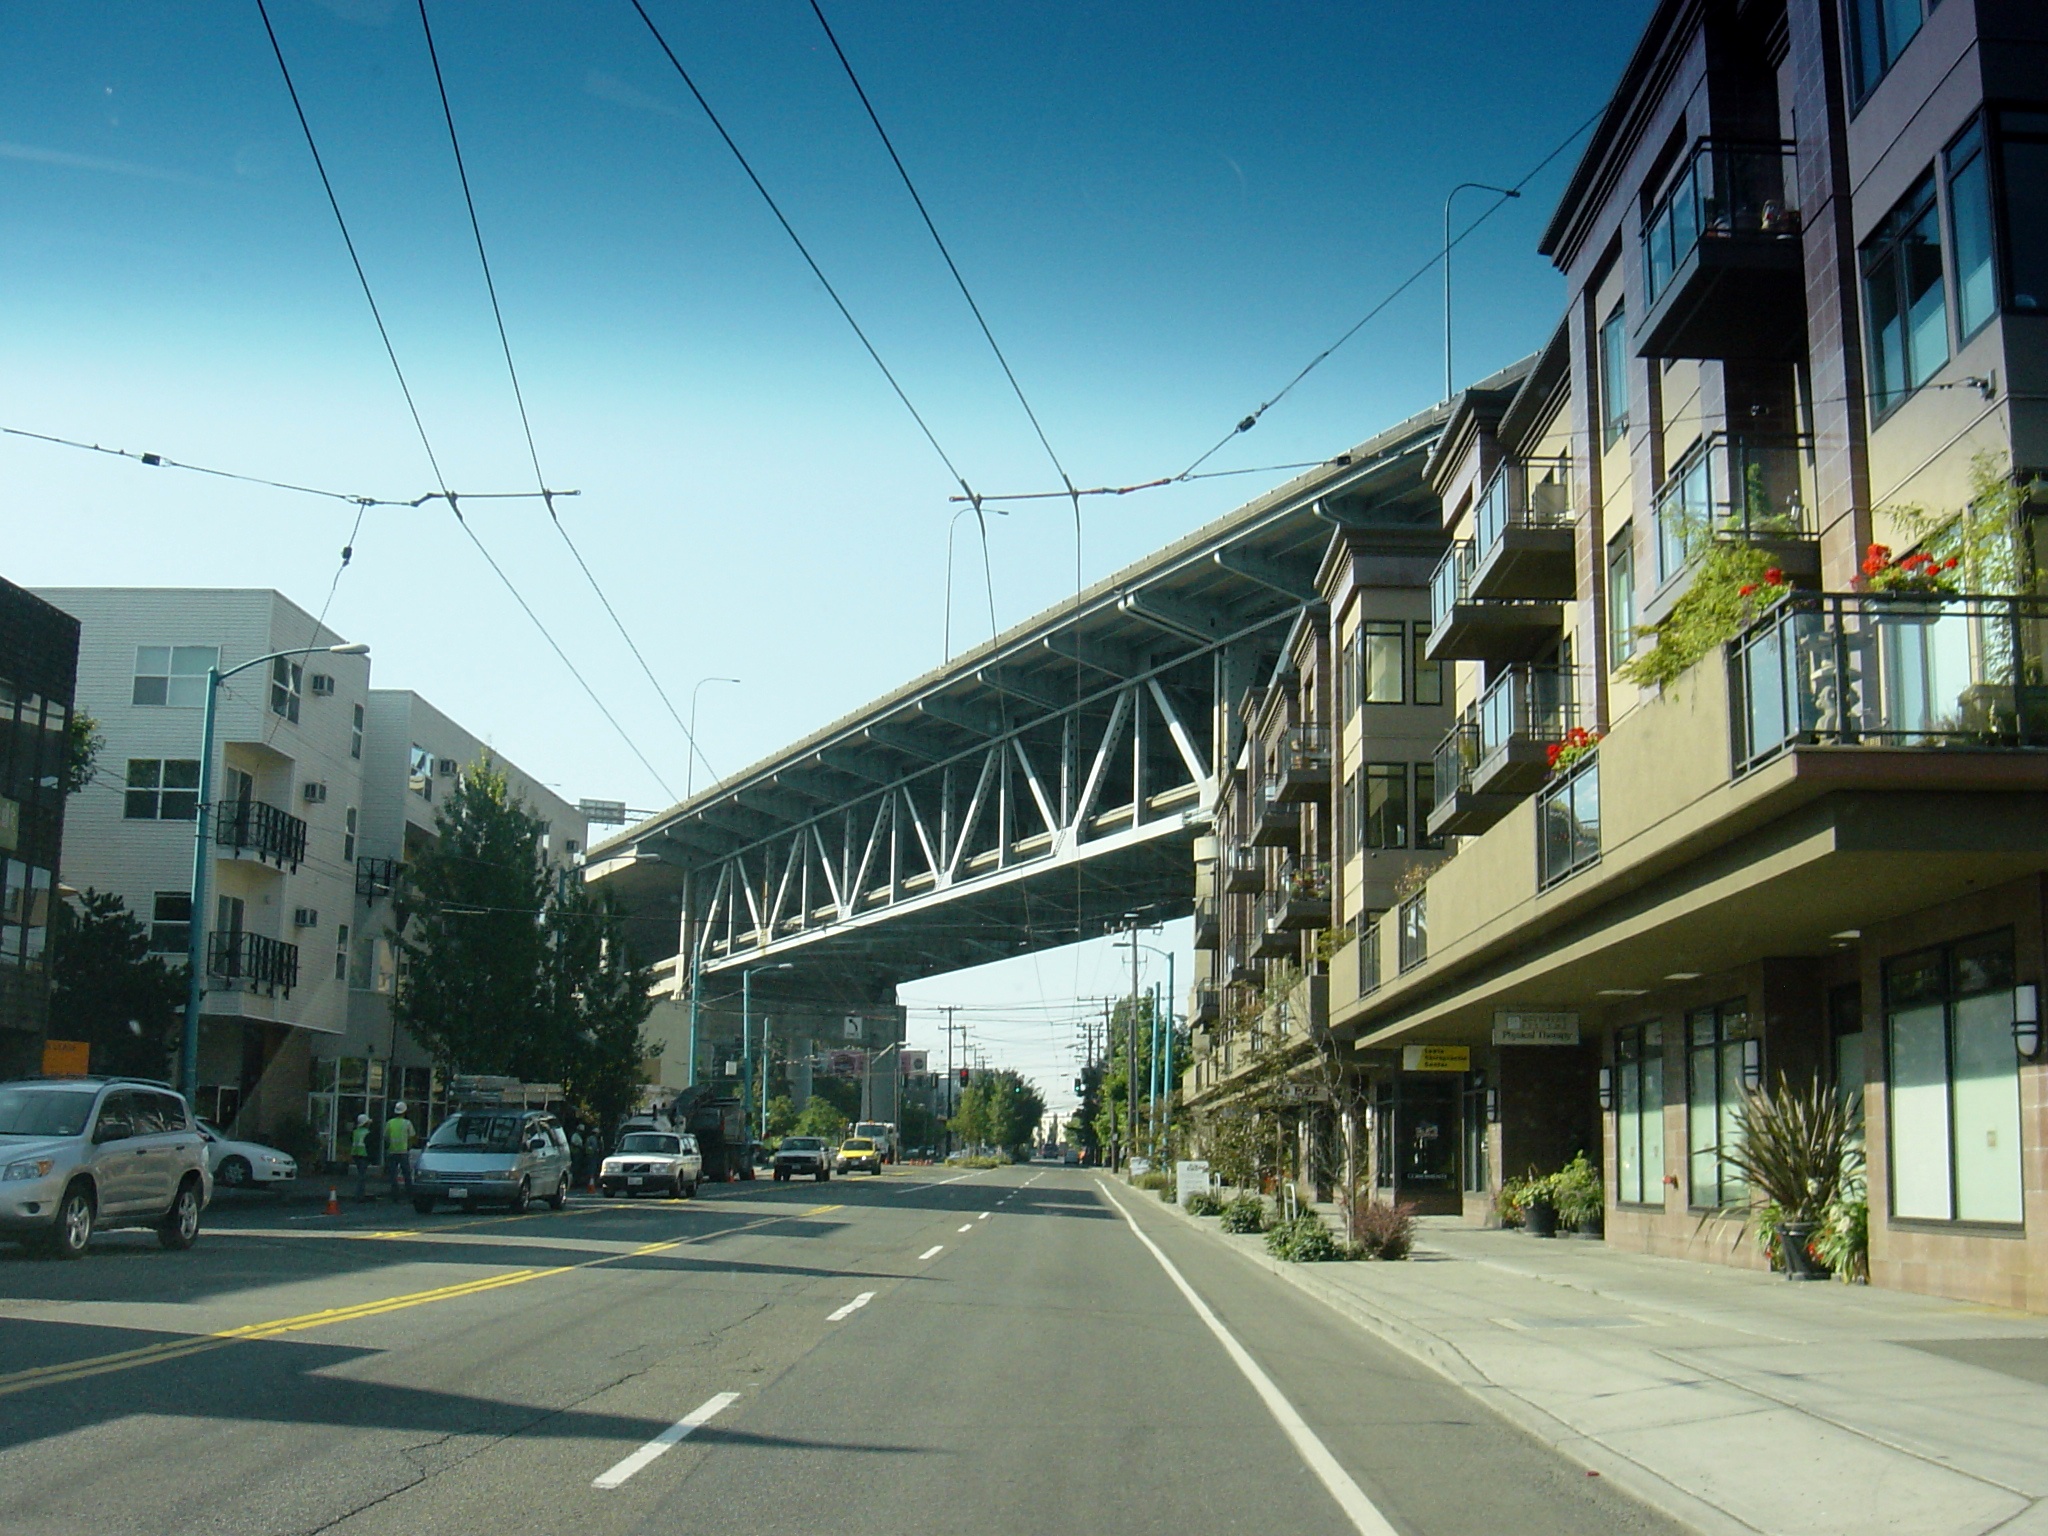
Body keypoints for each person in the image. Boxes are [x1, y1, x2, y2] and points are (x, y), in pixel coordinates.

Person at [384, 1102, 416, 1198]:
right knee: (406, 1174)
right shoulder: (407, 1123)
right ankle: (409, 1194)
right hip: (403, 1151)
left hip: (392, 1151)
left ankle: (395, 1194)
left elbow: (386, 1137)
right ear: (404, 1112)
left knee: (393, 1174)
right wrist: (409, 1147)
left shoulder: (390, 1123)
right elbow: (412, 1136)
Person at [350, 1113, 373, 1201]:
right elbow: (369, 1145)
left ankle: (360, 1194)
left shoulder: (355, 1132)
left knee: (361, 1174)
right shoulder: (367, 1133)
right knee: (362, 1176)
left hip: (355, 1154)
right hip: (363, 1155)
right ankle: (359, 1195)